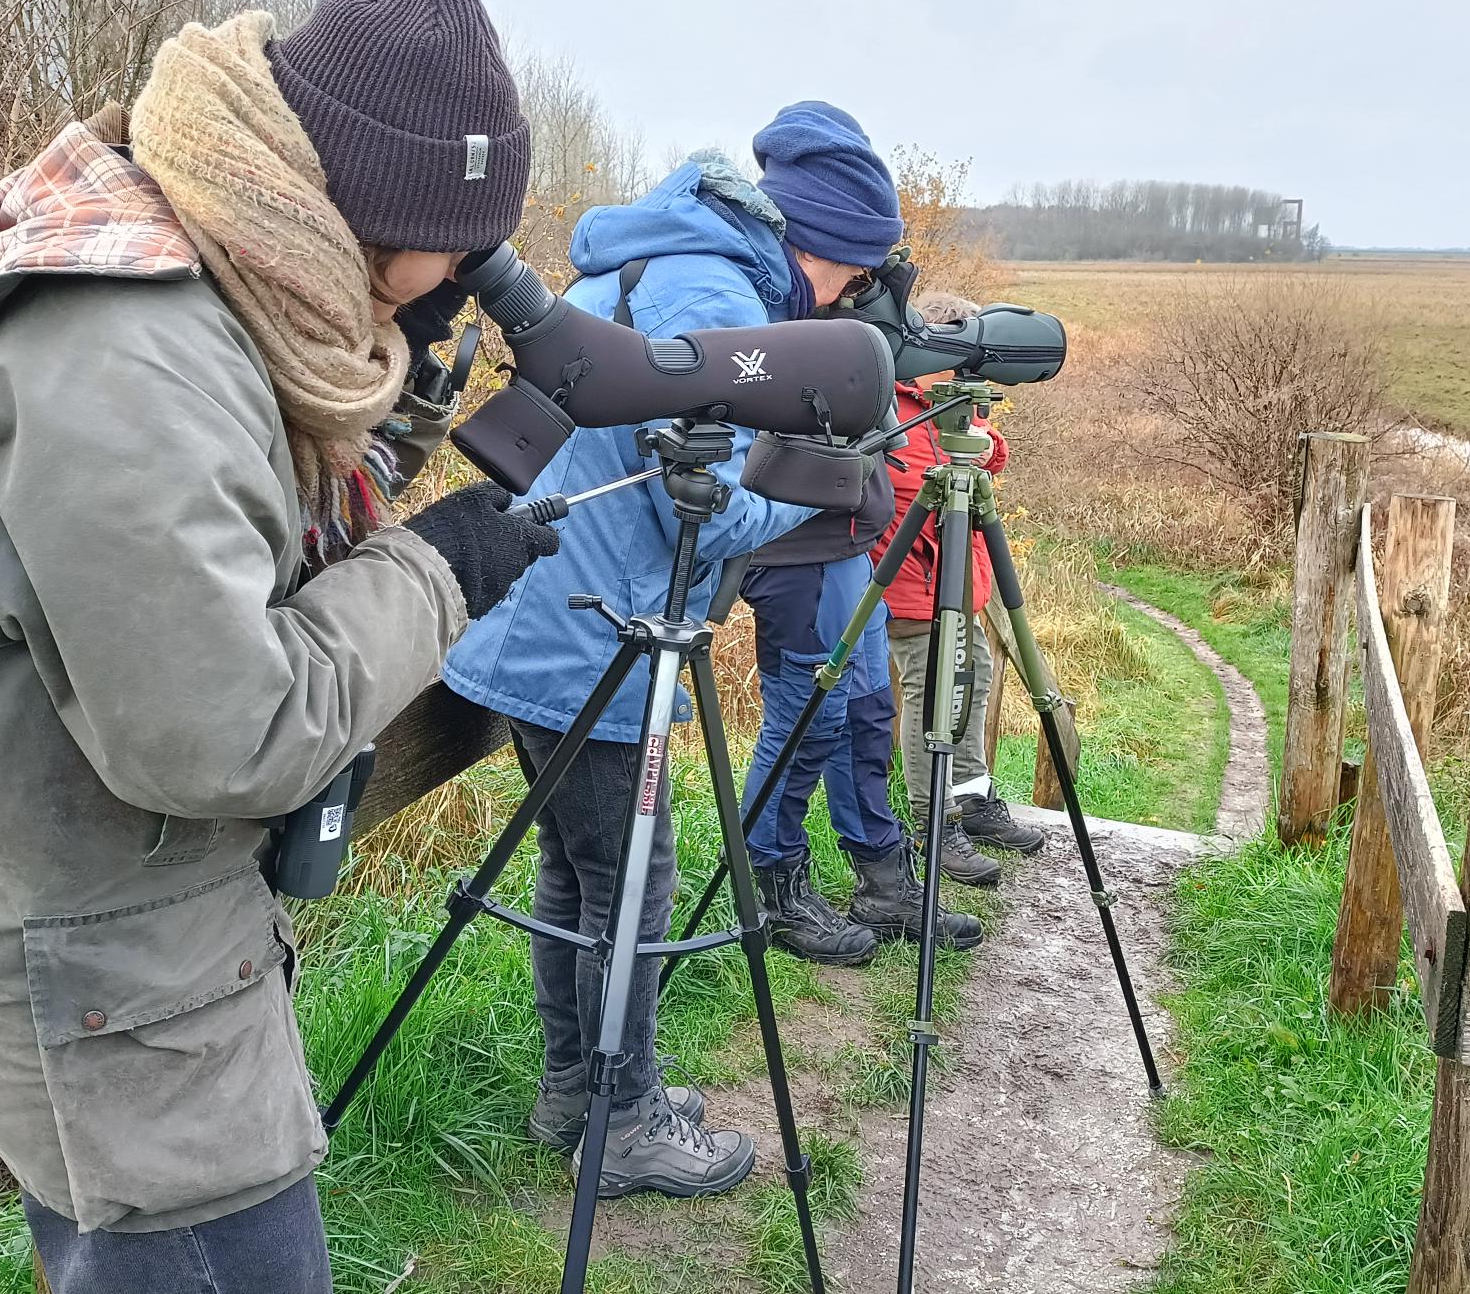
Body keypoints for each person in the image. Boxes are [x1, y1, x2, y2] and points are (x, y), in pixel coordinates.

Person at [0, 0, 559, 1294]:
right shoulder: (122, 370)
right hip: (104, 986)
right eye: (461, 238)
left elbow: (238, 538)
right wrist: (435, 572)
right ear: (378, 207)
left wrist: (407, 406)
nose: (473, 271)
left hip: (131, 944)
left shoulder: (229, 298)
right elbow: (224, 737)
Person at [442, 102, 914, 1197]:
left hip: (539, 618)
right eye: (850, 273)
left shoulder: (658, 258)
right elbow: (692, 508)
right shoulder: (719, 293)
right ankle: (625, 1122)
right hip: (599, 639)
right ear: (824, 248)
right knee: (631, 892)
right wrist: (814, 497)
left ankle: (577, 1094)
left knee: (577, 877)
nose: (847, 297)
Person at [737, 108, 982, 965]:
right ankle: (773, 884)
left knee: (868, 709)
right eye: (856, 260)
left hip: (849, 535)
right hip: (790, 542)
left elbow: (874, 416)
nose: (861, 280)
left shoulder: (838, 305)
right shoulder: (761, 300)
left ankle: (882, 876)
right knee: (810, 714)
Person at [877, 292, 1048, 875]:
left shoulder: (951, 407)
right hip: (915, 581)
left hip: (957, 580)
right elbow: (916, 480)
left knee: (972, 684)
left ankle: (969, 798)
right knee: (933, 696)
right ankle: (934, 822)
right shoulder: (896, 405)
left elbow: (988, 458)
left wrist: (976, 428)